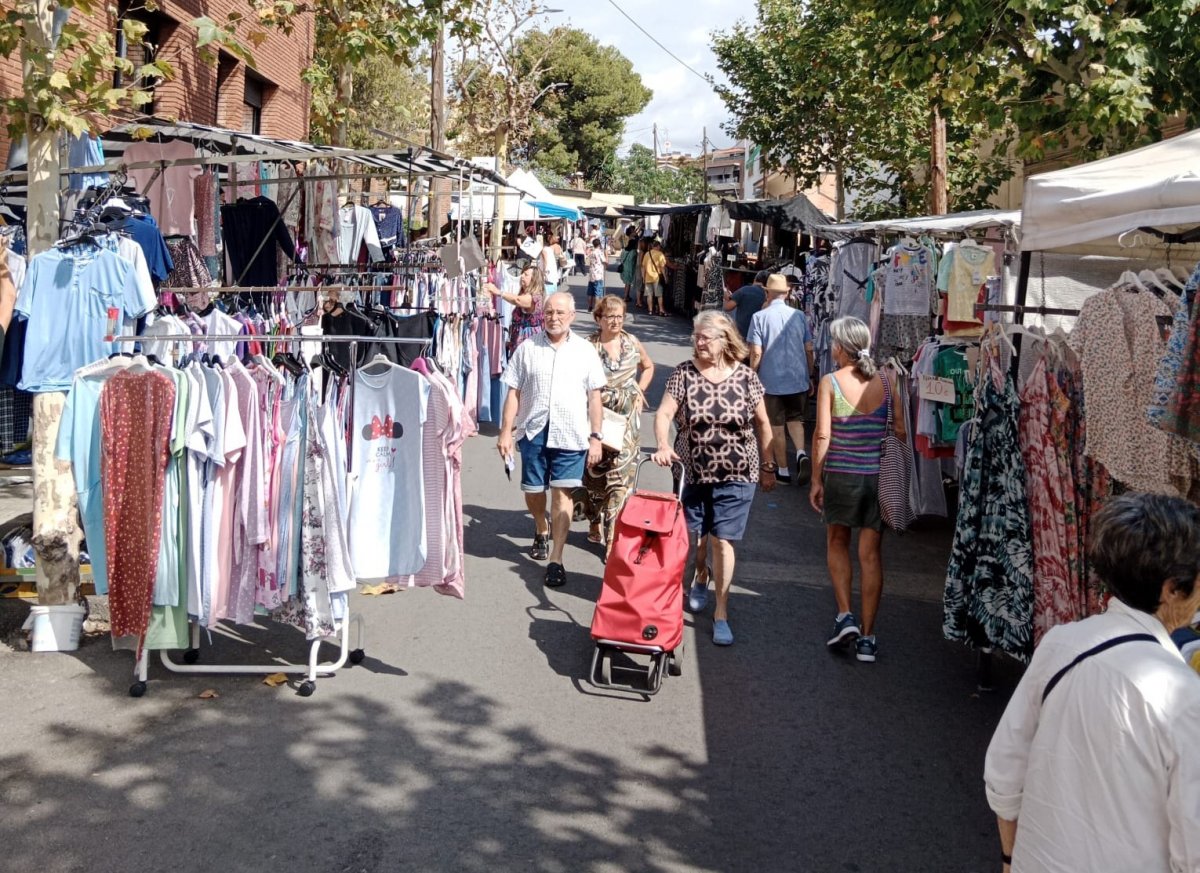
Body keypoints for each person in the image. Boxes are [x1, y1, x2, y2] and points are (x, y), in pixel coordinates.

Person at [984, 492, 1200, 873]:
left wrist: (1009, 858)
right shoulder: (1182, 694)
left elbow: (1004, 771)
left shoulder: (1060, 643)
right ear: (1171, 589)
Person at [653, 310, 775, 646]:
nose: (699, 342)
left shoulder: (747, 378)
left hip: (739, 471)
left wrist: (768, 465)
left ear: (725, 342)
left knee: (723, 540)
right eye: (697, 337)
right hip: (692, 469)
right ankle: (700, 572)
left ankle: (721, 611)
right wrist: (663, 443)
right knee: (695, 537)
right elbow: (664, 413)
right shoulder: (684, 374)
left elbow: (763, 424)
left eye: (705, 337)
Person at [497, 291, 606, 589]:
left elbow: (594, 397)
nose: (554, 318)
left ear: (571, 316)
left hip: (571, 434)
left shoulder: (585, 351)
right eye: (549, 312)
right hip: (533, 431)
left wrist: (596, 437)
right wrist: (506, 431)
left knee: (563, 495)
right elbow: (513, 393)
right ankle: (540, 525)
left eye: (560, 313)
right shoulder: (527, 348)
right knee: (533, 491)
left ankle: (557, 558)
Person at [809, 316, 900, 663]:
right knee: (871, 555)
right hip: (877, 478)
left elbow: (822, 436)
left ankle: (845, 615)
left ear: (841, 347)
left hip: (841, 476)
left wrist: (816, 479)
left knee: (836, 543)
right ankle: (868, 637)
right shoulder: (889, 381)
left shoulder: (831, 382)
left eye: (833, 342)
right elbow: (901, 430)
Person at [581, 295, 655, 550]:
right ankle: (593, 517)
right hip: (598, 420)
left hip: (626, 423)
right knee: (594, 479)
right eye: (610, 316)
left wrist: (639, 391)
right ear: (598, 319)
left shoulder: (631, 342)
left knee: (620, 481)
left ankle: (612, 540)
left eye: (619, 316)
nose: (615, 321)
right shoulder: (587, 346)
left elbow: (648, 366)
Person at [748, 273, 815, 486]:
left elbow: (756, 352)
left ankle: (783, 472)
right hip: (797, 377)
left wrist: (751, 375)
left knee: (776, 425)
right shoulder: (799, 316)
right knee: (796, 420)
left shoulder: (759, 317)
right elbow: (809, 349)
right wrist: (810, 374)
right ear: (787, 293)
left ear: (767, 292)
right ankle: (802, 453)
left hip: (772, 380)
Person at [486, 263, 545, 358]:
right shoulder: (524, 294)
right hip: (519, 339)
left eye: (526, 275)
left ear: (534, 279)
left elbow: (517, 300)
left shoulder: (536, 297)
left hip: (530, 340)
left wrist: (498, 292)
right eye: (523, 273)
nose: (522, 276)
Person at [724, 270, 768, 339]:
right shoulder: (767, 296)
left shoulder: (744, 290)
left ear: (755, 279)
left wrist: (726, 297)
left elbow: (727, 307)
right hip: (756, 336)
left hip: (740, 334)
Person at [642, 239, 668, 316]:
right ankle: (661, 310)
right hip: (657, 277)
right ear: (658, 246)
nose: (660, 248)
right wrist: (665, 277)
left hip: (648, 277)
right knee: (659, 295)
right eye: (659, 246)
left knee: (649, 295)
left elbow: (643, 267)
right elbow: (662, 267)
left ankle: (650, 310)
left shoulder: (647, 254)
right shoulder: (660, 254)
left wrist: (643, 277)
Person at [585, 238, 607, 312]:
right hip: (598, 274)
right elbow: (605, 261)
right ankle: (597, 308)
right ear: (599, 244)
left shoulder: (591, 252)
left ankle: (589, 307)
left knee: (590, 292)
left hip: (592, 273)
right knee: (598, 292)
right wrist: (606, 255)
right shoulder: (599, 252)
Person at [620, 227, 638, 301]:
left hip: (625, 266)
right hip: (630, 267)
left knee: (627, 282)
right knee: (628, 282)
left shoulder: (625, 249)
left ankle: (626, 295)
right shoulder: (633, 250)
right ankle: (625, 296)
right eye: (633, 231)